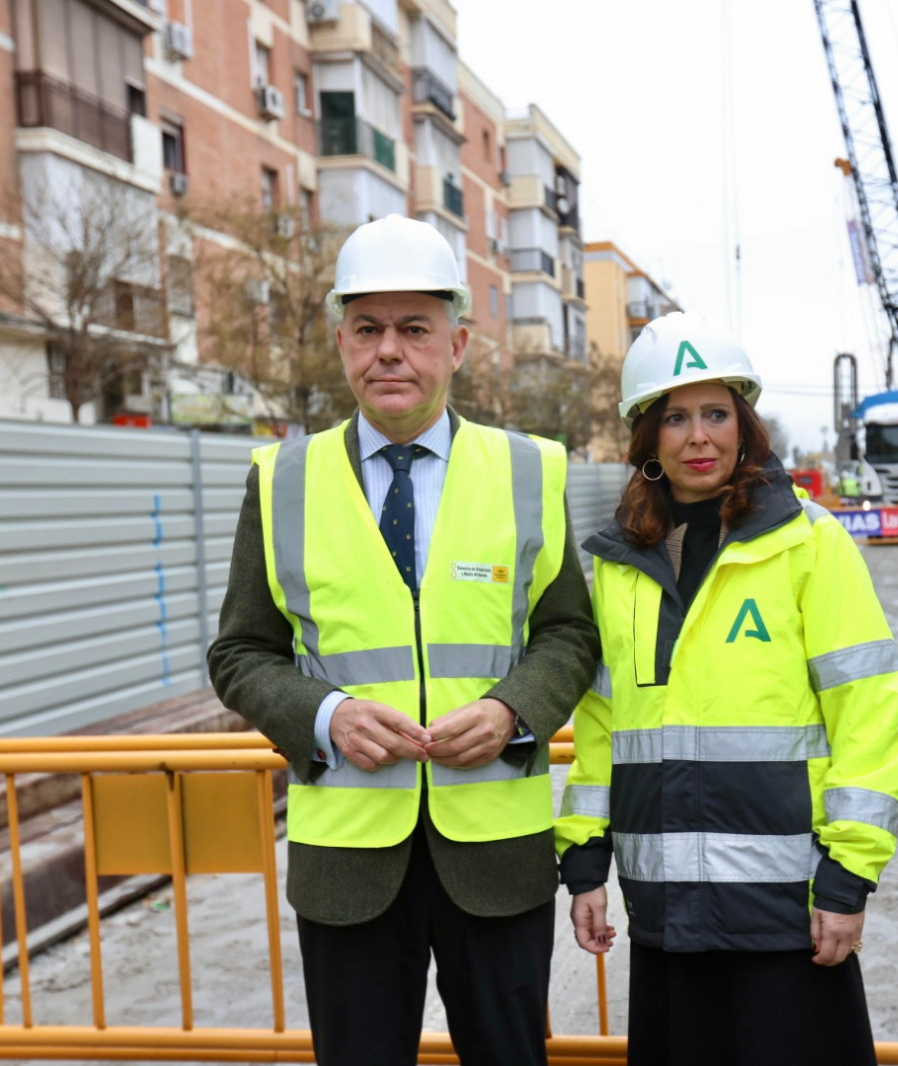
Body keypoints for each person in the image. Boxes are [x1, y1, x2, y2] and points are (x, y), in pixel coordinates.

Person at [207, 214, 598, 1066]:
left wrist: (513, 709)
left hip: (496, 857)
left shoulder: (531, 470)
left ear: (457, 346)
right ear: (342, 342)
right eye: (369, 328)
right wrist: (326, 714)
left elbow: (569, 631)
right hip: (348, 863)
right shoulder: (280, 480)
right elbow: (240, 654)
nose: (390, 351)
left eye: (414, 329)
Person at [556, 313, 898, 1066]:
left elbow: (870, 710)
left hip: (787, 911)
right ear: (647, 437)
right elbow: (602, 726)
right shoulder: (618, 568)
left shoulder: (810, 543)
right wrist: (583, 858)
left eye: (717, 413)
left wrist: (848, 874)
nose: (699, 437)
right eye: (676, 417)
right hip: (666, 914)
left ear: (744, 425)